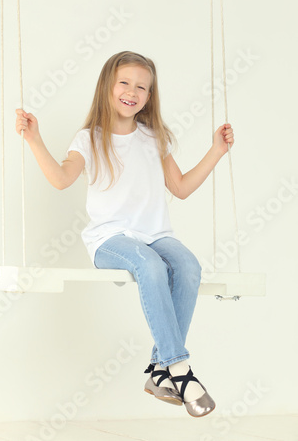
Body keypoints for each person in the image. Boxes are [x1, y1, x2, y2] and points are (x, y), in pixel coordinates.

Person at [15, 51, 234, 417]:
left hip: (154, 234)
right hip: (110, 241)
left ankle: (158, 369)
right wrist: (34, 139)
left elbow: (179, 187)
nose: (133, 92)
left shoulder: (154, 138)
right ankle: (179, 370)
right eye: (125, 83)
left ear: (150, 96)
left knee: (189, 266)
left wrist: (216, 151)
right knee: (151, 266)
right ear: (107, 87)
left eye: (142, 87)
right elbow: (61, 179)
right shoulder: (89, 138)